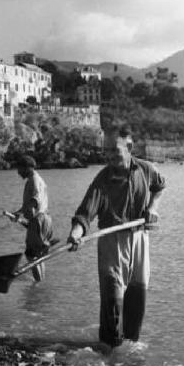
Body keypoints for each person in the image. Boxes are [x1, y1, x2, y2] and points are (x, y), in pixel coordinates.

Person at [67, 126, 166, 348]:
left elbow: (159, 186)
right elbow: (85, 213)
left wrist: (153, 207)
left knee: (136, 301)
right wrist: (76, 233)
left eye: (114, 150)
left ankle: (129, 357)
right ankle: (106, 354)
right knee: (113, 304)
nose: (110, 155)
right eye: (107, 151)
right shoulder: (103, 179)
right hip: (112, 243)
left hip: (140, 239)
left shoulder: (145, 169)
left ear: (129, 147)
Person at [11, 154, 54, 282]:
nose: (18, 173)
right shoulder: (39, 179)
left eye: (19, 169)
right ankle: (40, 285)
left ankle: (37, 285)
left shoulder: (33, 180)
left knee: (31, 255)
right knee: (38, 255)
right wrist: (20, 216)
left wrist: (20, 212)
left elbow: (35, 201)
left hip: (39, 220)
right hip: (45, 219)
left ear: (27, 167)